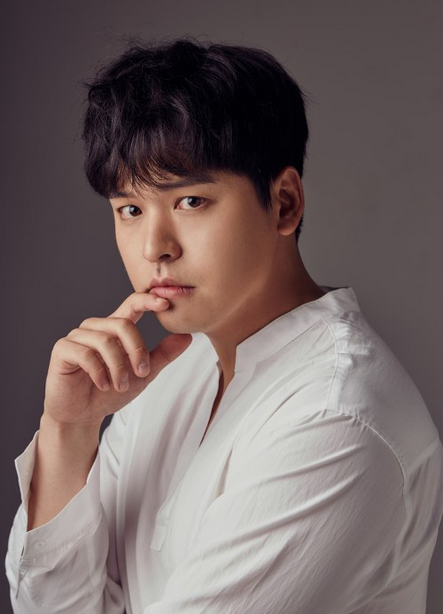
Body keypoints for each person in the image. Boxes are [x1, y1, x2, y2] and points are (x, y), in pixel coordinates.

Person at [6, 38, 443, 614]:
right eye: (130, 210)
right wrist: (68, 431)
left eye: (190, 201)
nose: (154, 248)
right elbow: (54, 605)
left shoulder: (335, 417)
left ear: (284, 203)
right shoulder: (171, 371)